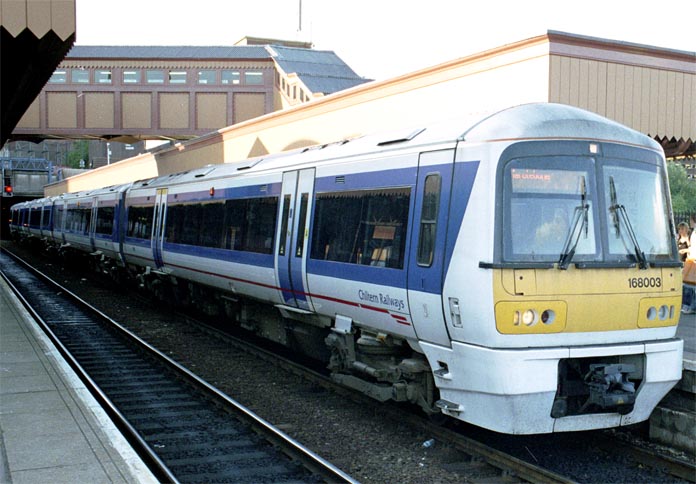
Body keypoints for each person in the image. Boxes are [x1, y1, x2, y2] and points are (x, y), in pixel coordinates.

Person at [682, 214, 696, 314]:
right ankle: (691, 306)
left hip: (692, 259)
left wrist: (686, 250)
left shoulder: (694, 233)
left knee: (689, 284)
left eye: (691, 220)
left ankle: (689, 306)